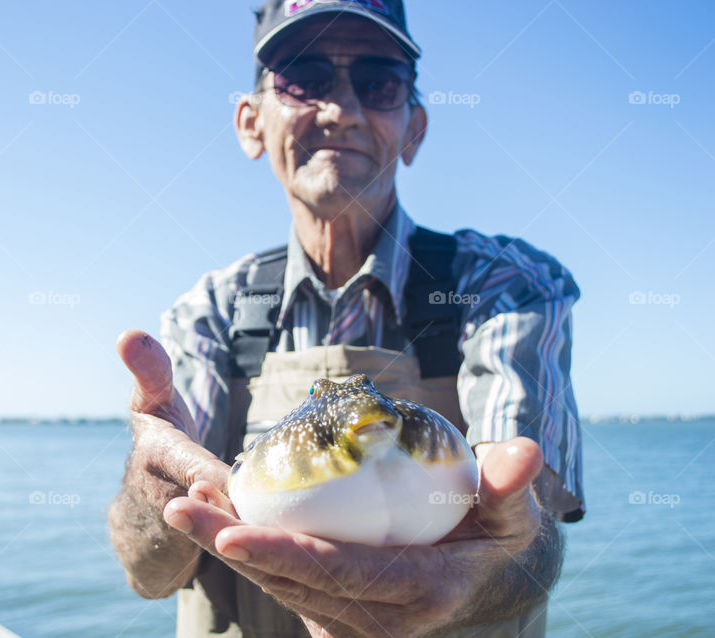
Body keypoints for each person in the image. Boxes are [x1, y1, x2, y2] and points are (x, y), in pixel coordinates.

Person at [109, 1, 584, 636]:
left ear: (413, 127)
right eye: (303, 79)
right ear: (250, 122)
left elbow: (535, 531)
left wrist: (499, 555)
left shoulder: (503, 285)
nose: (341, 110)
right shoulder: (213, 313)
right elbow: (148, 574)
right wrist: (155, 493)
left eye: (377, 82)